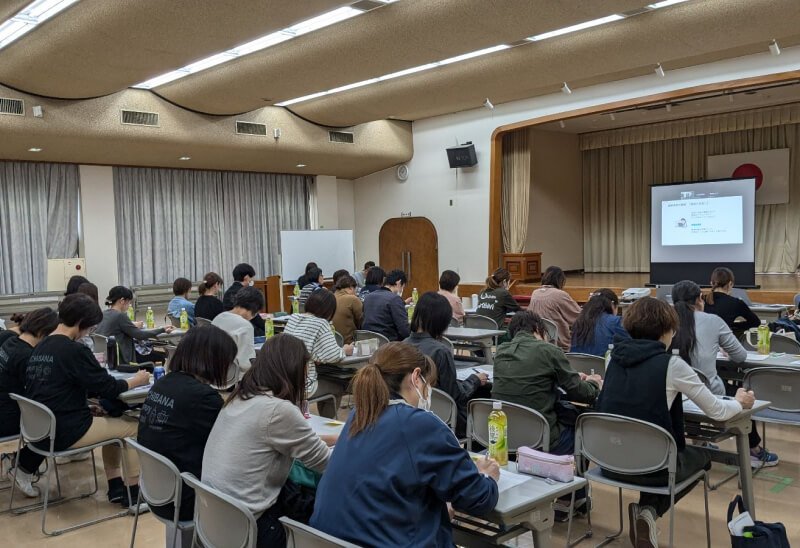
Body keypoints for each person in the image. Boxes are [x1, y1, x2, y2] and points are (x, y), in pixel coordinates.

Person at [596, 296, 755, 547]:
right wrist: (739, 402)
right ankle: (649, 511)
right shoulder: (671, 364)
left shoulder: (612, 357)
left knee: (653, 450)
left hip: (608, 461)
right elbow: (716, 411)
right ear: (666, 331)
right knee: (701, 457)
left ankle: (645, 512)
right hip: (652, 466)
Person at [310, 342, 500, 546]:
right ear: (416, 377)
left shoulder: (360, 414)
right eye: (429, 384)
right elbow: (477, 499)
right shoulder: (420, 424)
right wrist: (487, 476)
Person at [203, 334, 336, 548]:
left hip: (215, 520)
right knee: (327, 512)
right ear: (292, 372)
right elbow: (328, 464)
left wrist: (336, 437)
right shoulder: (278, 411)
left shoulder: (240, 397)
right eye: (305, 376)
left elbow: (282, 439)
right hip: (252, 527)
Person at [24, 294, 151, 507]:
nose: (90, 332)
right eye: (91, 328)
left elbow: (55, 389)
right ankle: (134, 493)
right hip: (67, 431)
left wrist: (89, 406)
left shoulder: (42, 346)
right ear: (82, 324)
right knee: (133, 428)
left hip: (44, 429)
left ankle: (116, 486)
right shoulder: (74, 349)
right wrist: (136, 381)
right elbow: (108, 387)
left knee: (113, 416)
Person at [672, 280, 778, 467]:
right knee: (742, 395)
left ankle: (701, 443)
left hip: (676, 398)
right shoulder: (712, 320)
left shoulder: (665, 322)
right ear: (699, 300)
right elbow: (740, 356)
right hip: (710, 396)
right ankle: (755, 451)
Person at [137, 325, 235, 525]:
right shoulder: (203, 397)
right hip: (188, 498)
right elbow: (233, 444)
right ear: (214, 360)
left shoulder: (163, 383)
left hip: (156, 491)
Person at [493, 310, 601, 458]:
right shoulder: (549, 350)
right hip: (543, 440)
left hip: (506, 436)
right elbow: (582, 394)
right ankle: (578, 479)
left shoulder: (500, 352)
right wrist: (593, 383)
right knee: (585, 430)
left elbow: (532, 382)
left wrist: (569, 377)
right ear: (538, 329)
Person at [405, 292, 488, 438]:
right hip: (445, 421)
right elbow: (455, 395)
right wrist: (474, 380)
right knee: (484, 393)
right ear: (442, 322)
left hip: (412, 416)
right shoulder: (440, 351)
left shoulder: (402, 346)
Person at [1, 308, 59, 497]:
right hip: (6, 419)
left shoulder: (10, 342)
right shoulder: (28, 357)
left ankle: (18, 461)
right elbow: (40, 392)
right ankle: (22, 468)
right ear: (45, 333)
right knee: (58, 421)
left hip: (4, 408)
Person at [284, 289, 353, 417]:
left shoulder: (294, 318)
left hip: (285, 381)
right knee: (338, 387)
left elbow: (304, 347)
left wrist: (315, 356)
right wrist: (345, 350)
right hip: (304, 386)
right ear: (330, 309)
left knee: (325, 380)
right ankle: (327, 421)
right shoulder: (321, 323)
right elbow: (334, 355)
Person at [96, 286, 172, 365]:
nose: (129, 305)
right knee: (160, 357)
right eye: (129, 302)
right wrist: (162, 329)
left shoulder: (103, 314)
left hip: (107, 358)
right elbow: (140, 335)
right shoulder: (120, 316)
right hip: (122, 359)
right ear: (122, 301)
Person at [212, 286, 263, 388]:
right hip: (232, 381)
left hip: (212, 377)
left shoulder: (218, 317)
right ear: (253, 308)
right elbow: (246, 364)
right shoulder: (245, 325)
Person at [527, 266, 581, 350]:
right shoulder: (559, 294)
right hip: (559, 343)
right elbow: (578, 316)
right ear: (560, 280)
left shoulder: (535, 293)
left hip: (539, 339)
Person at [570, 288, 629, 356]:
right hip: (604, 364)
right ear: (612, 304)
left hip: (578, 365)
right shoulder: (616, 321)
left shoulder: (578, 322)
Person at [702, 267, 760, 335]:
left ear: (711, 283)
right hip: (724, 343)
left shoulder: (700, 300)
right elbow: (755, 322)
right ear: (730, 284)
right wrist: (733, 326)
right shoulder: (736, 303)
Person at [362, 269, 411, 341]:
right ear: (399, 283)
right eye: (403, 287)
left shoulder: (368, 297)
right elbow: (405, 331)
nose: (402, 290)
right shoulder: (395, 299)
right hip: (388, 344)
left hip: (368, 342)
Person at [331, 275, 363, 344]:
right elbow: (362, 322)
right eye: (355, 290)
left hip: (332, 343)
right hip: (349, 344)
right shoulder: (353, 299)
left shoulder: (329, 298)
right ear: (351, 288)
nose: (355, 293)